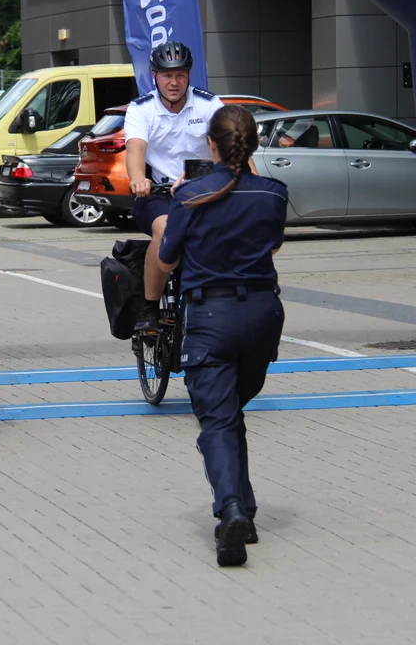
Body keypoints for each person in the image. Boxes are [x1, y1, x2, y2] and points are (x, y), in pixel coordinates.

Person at [156, 105, 288, 567]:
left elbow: (168, 258)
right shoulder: (273, 193)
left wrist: (183, 200)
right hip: (264, 313)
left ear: (210, 144)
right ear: (251, 145)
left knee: (217, 420)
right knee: (230, 412)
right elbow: (272, 243)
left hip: (213, 316)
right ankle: (245, 509)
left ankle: (229, 509)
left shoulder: (193, 194)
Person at [123, 41, 225, 333]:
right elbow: (135, 149)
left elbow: (228, 148)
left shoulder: (208, 104)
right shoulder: (141, 109)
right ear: (155, 75)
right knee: (166, 230)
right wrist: (137, 178)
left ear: (189, 75)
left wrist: (249, 182)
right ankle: (150, 307)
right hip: (158, 195)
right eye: (167, 75)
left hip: (205, 192)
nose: (174, 82)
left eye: (180, 75)